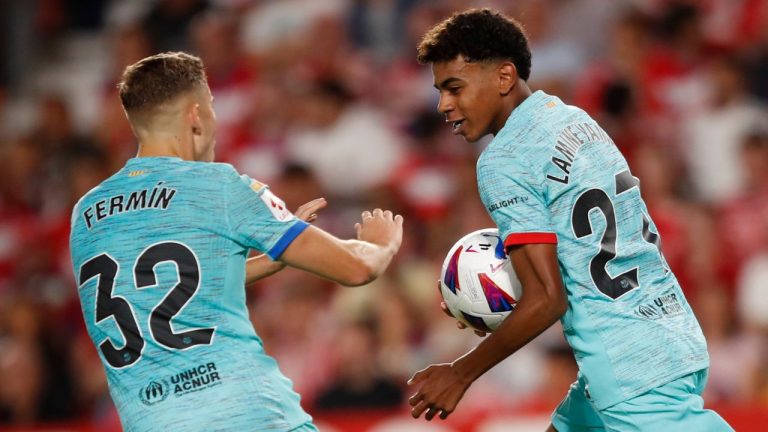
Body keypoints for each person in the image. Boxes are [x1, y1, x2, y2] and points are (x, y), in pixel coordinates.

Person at [407, 9, 732, 431]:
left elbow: (547, 299)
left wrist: (460, 373)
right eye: (439, 91)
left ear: (504, 77)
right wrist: (483, 295)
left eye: (455, 87)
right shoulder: (576, 120)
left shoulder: (502, 160)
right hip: (671, 331)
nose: (443, 104)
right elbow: (575, 247)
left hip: (626, 368)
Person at [69, 52, 403, 432]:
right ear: (196, 115)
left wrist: (272, 261)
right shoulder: (220, 186)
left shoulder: (85, 214)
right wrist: (383, 243)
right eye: (211, 105)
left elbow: (157, 289)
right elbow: (357, 269)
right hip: (251, 417)